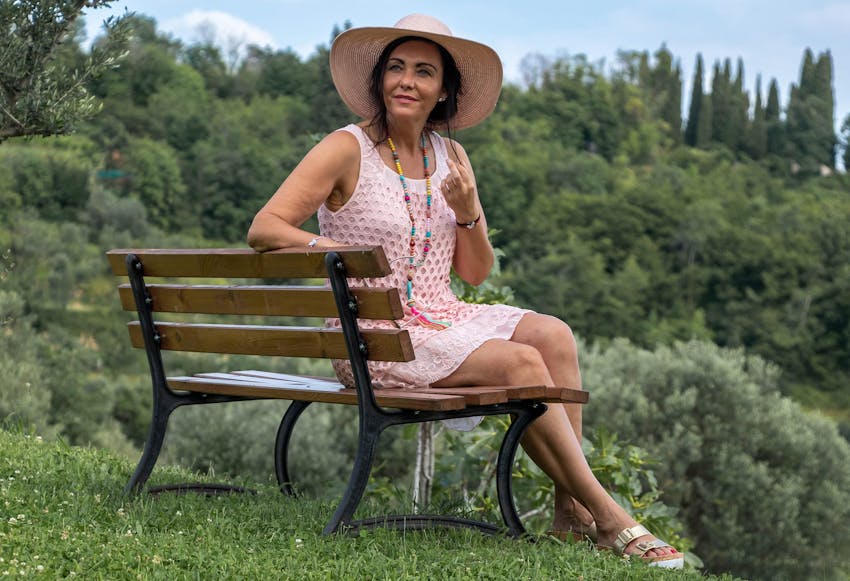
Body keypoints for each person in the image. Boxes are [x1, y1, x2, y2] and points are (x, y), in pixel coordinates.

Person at [248, 13, 684, 568]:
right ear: (380, 80)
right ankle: (609, 516)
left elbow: (474, 274)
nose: (407, 81)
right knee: (521, 365)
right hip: (375, 336)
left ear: (443, 90)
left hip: (440, 317)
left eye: (423, 72)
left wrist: (468, 211)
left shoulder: (451, 157)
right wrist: (337, 255)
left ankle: (569, 515)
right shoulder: (345, 148)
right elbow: (265, 227)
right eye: (397, 68)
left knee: (553, 336)